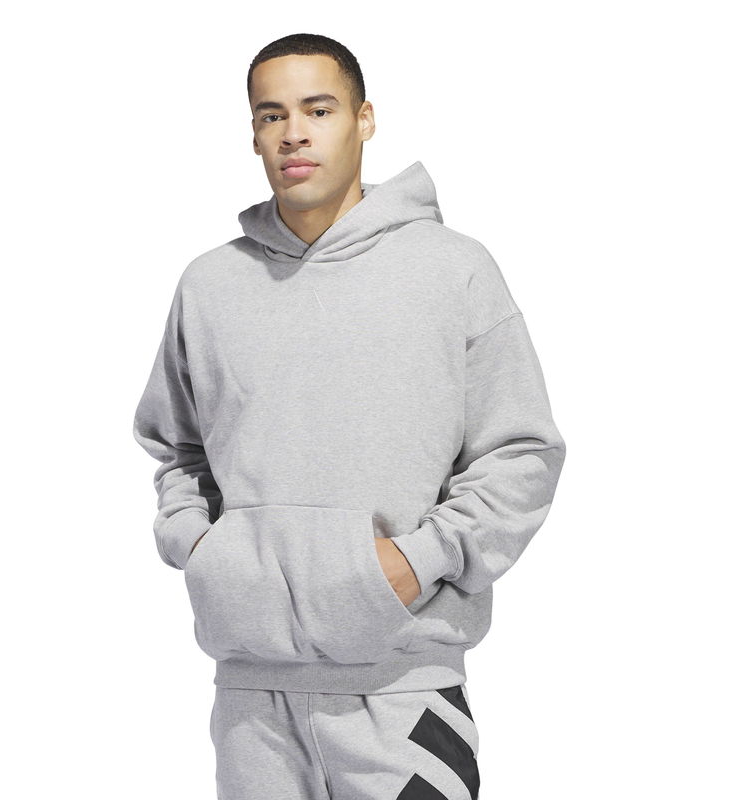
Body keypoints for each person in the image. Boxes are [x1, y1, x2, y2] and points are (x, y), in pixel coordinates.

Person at [132, 31, 566, 800]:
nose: (293, 133)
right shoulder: (210, 285)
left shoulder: (452, 270)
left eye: (318, 109)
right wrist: (203, 549)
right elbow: (179, 449)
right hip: (249, 701)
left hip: (404, 690)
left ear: (364, 120)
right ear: (254, 133)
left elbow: (520, 454)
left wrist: (414, 562)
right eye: (271, 115)